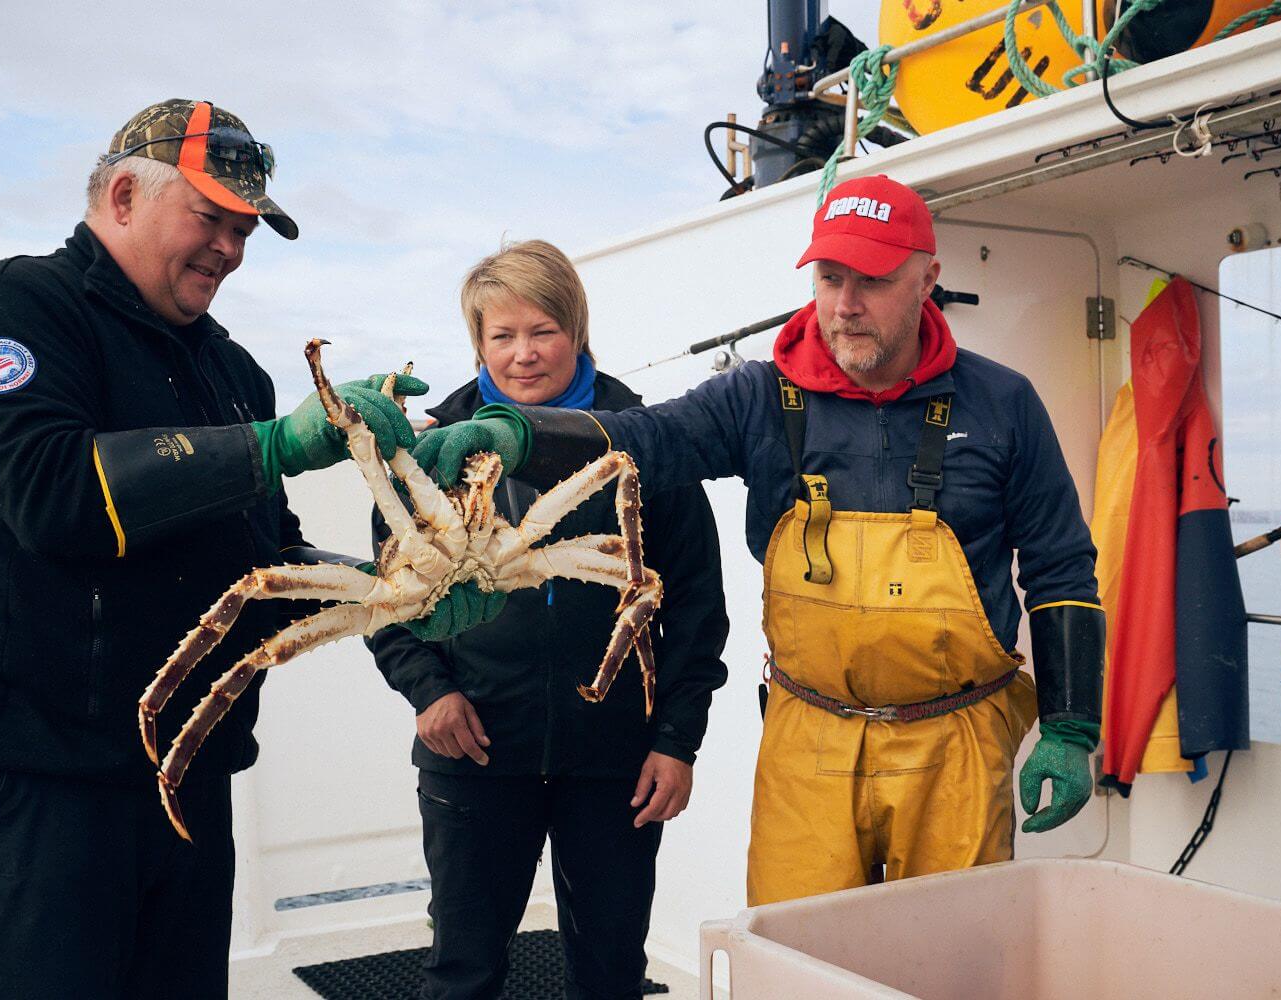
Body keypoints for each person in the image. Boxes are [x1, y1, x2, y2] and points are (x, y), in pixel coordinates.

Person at [412, 177, 1106, 906]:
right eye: (831, 278)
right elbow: (644, 441)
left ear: (928, 279)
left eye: (873, 280)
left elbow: (1061, 570)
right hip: (809, 740)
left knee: (950, 957)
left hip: (955, 743)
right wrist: (520, 435)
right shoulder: (757, 398)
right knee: (794, 960)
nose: (846, 305)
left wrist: (1070, 726)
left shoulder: (1006, 405)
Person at [0, 98, 421, 998]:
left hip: (189, 782)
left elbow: (268, 556)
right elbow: (51, 492)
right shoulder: (14, 308)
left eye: (244, 230)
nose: (230, 248)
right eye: (210, 219)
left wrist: (395, 590)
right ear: (121, 195)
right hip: (41, 785)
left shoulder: (232, 370)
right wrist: (273, 445)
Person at [368, 240, 729, 999]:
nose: (523, 355)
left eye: (542, 332)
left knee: (610, 972)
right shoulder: (433, 445)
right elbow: (386, 596)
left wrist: (676, 740)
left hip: (616, 755)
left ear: (577, 329)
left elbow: (695, 601)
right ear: (477, 343)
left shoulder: (641, 434)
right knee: (462, 969)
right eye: (502, 336)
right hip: (474, 743)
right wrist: (427, 691)